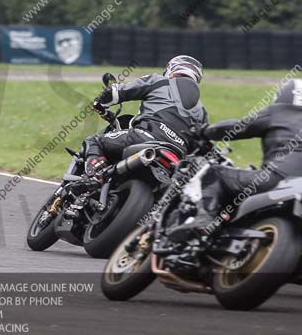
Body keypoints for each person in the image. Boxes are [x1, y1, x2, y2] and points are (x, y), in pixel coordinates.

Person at [171, 78, 302, 238]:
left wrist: (204, 131)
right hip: (296, 189)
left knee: (214, 173)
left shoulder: (280, 111)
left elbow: (240, 127)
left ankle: (203, 220)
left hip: (277, 179)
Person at [82, 55, 208, 180]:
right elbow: (199, 148)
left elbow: (115, 93)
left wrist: (100, 103)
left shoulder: (159, 81)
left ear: (171, 69)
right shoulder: (201, 111)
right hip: (176, 158)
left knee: (94, 141)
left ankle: (92, 178)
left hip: (146, 137)